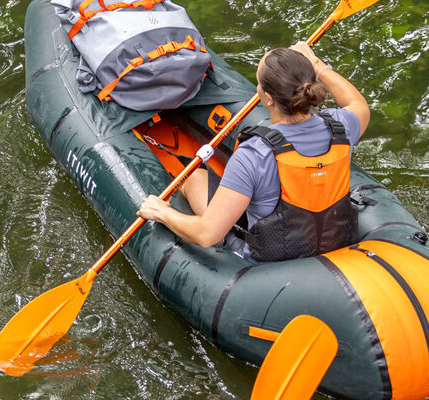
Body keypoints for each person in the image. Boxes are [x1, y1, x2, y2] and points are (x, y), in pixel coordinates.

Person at [136, 43, 370, 263]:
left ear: (267, 98)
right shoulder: (341, 127)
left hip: (270, 262)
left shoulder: (254, 153)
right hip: (332, 244)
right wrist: (316, 63)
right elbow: (358, 104)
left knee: (194, 178)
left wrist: (162, 212)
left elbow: (206, 234)